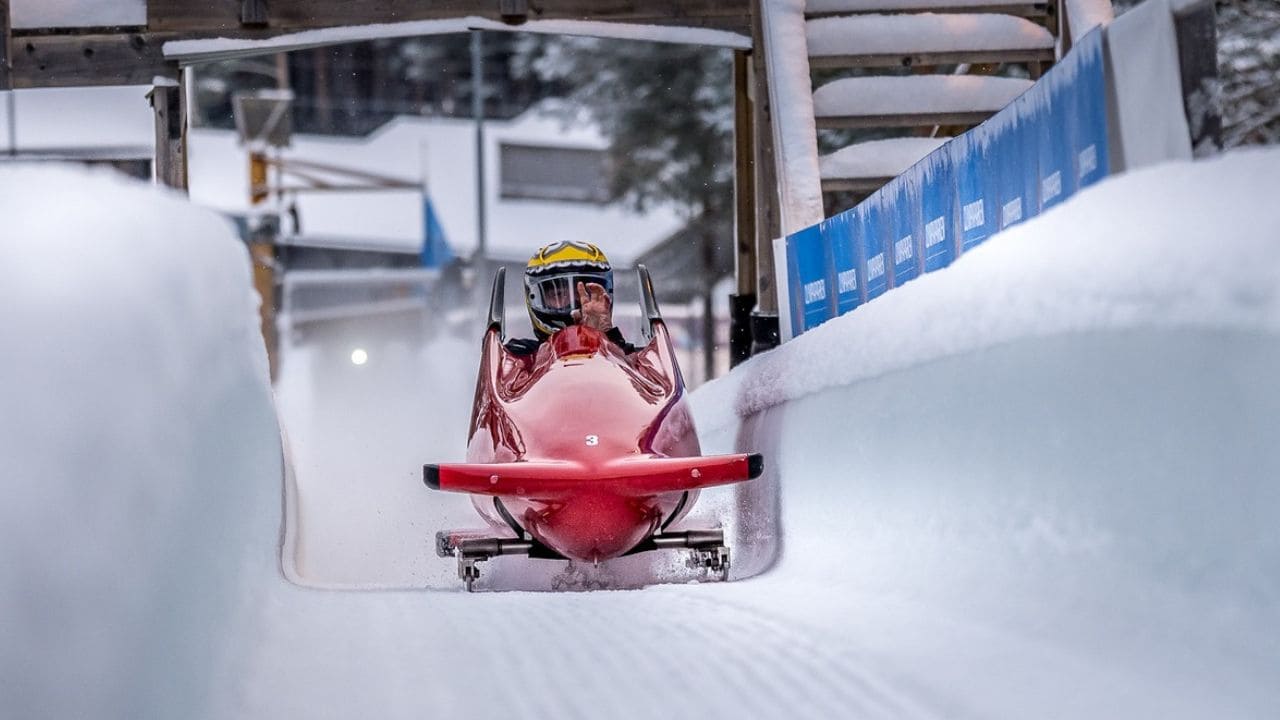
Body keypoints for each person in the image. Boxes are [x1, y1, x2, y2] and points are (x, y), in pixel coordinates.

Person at [506, 241, 640, 356]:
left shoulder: (633, 360)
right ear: (534, 298)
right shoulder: (519, 357)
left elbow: (635, 374)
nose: (577, 304)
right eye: (559, 295)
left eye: (586, 291)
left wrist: (608, 338)